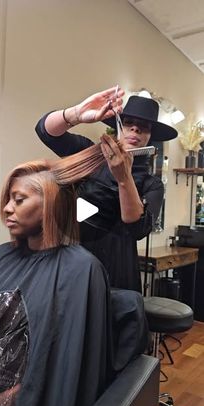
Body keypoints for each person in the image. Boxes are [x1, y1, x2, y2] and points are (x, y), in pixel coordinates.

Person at [0, 158, 147, 406]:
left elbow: (55, 372)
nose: (7, 209)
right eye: (8, 199)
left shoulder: (81, 270)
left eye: (19, 200)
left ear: (50, 206)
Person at [35, 86, 178, 292]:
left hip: (117, 267)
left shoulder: (151, 184)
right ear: (119, 126)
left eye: (143, 127)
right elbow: (46, 132)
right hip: (74, 255)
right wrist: (76, 113)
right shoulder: (90, 155)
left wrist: (123, 178)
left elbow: (138, 229)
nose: (135, 130)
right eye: (129, 123)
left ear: (150, 135)